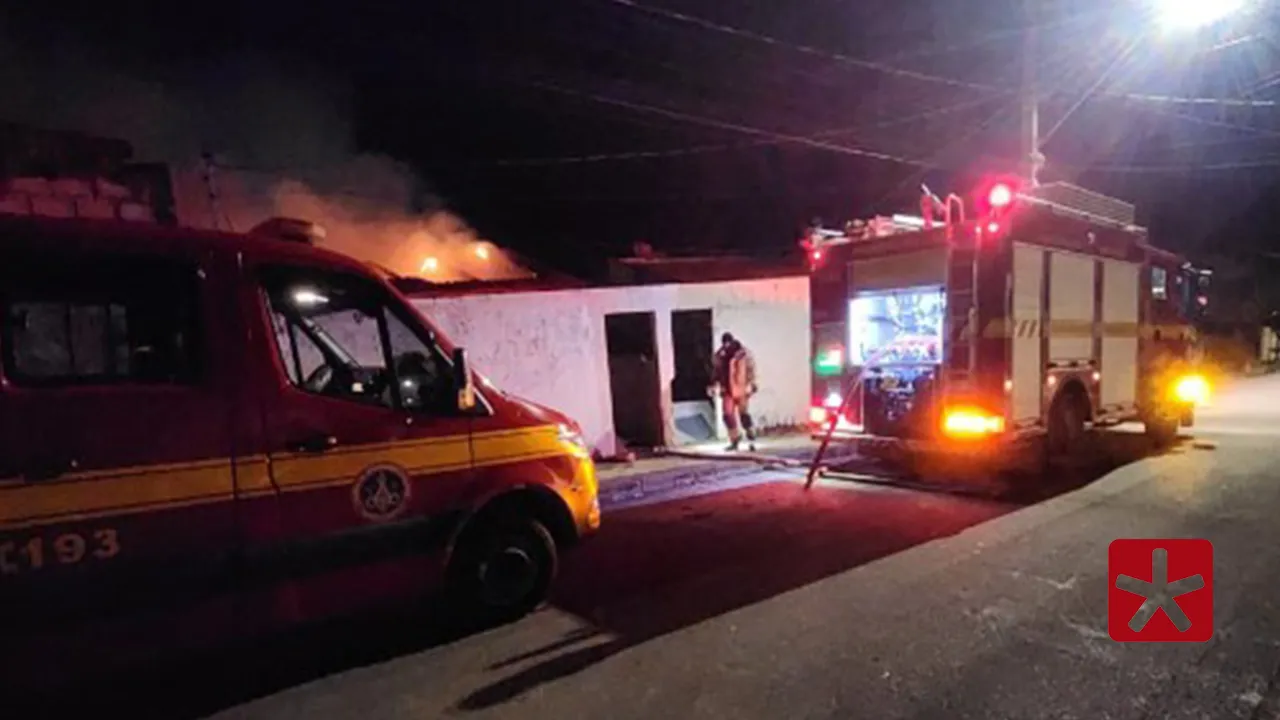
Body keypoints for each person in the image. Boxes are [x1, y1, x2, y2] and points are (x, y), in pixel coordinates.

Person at [711, 332, 758, 452]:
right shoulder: (720, 355)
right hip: (727, 389)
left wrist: (752, 384)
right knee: (728, 415)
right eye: (724, 343)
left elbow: (751, 369)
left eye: (728, 343)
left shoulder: (744, 354)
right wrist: (714, 384)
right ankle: (735, 439)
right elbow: (716, 371)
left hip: (741, 388)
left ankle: (751, 436)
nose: (726, 346)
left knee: (744, 415)